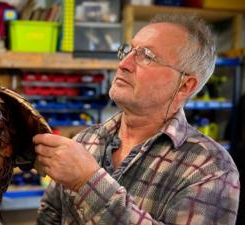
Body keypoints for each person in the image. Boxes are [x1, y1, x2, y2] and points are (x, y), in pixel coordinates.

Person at [34, 14, 240, 225]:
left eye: (147, 56)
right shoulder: (85, 140)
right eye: (128, 50)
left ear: (185, 85)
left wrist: (88, 182)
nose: (124, 64)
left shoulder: (211, 169)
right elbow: (50, 215)